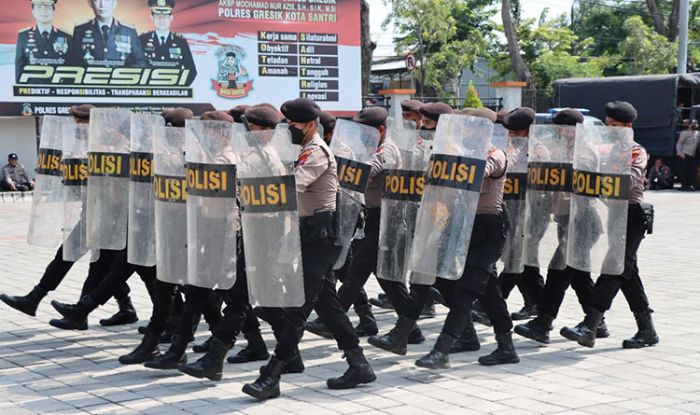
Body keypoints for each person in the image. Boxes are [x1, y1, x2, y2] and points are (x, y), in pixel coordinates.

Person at [242, 98, 375, 400]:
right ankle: (359, 364)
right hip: (307, 235)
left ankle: (272, 375)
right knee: (327, 304)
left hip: (321, 237)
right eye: (286, 123)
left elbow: (289, 187)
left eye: (293, 124)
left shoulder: (316, 153)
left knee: (297, 307)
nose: (288, 128)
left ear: (311, 125)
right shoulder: (301, 150)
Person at [369, 106, 519, 369]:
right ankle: (402, 335)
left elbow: (477, 173)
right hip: (459, 223)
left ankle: (442, 349)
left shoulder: (494, 155)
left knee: (466, 291)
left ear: (482, 129)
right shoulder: (456, 152)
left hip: (488, 229)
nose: (466, 131)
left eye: (470, 126)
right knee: (439, 281)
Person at [0, 105, 128, 326]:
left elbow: (118, 188)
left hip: (110, 215)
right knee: (92, 262)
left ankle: (69, 308)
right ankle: (117, 308)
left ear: (91, 122)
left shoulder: (116, 146)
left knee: (92, 263)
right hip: (94, 211)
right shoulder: (88, 144)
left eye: (79, 121)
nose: (76, 126)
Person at [560, 101, 659, 349]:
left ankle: (590, 324)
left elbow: (631, 179)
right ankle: (647, 330)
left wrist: (602, 178)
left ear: (628, 126)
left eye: (616, 125)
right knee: (627, 273)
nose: (611, 129)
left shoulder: (636, 151)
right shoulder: (606, 150)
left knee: (613, 269)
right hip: (614, 213)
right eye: (608, 124)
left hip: (632, 214)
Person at [514, 109, 609, 344]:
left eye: (559, 128)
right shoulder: (568, 149)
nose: (556, 132)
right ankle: (598, 323)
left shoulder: (583, 151)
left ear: (569, 129)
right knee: (578, 276)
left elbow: (580, 183)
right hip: (567, 220)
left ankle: (543, 323)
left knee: (558, 272)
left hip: (582, 220)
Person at [494, 107, 544, 322]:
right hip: (514, 210)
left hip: (533, 213)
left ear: (528, 132)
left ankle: (492, 302)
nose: (512, 137)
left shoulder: (539, 151)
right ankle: (538, 306)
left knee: (517, 258)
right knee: (525, 263)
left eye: (516, 133)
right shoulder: (514, 148)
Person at [69, 0, 146, 68]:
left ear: (114, 3)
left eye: (107, 0)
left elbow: (141, 62)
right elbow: (73, 63)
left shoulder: (128, 31)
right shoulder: (80, 30)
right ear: (90, 3)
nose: (102, 5)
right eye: (97, 0)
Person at [139, 0, 196, 85]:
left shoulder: (181, 43)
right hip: (149, 93)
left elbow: (192, 71)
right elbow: (133, 67)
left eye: (165, 16)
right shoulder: (142, 40)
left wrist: (177, 89)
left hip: (173, 95)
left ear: (171, 18)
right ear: (152, 18)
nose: (161, 20)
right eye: (158, 15)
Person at [15, 0, 71, 83]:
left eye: (47, 6)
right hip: (33, 92)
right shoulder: (23, 36)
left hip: (57, 92)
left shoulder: (66, 37)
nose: (43, 10)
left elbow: (70, 68)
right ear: (33, 11)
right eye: (38, 7)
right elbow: (19, 66)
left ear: (53, 10)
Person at [676, 120, 698, 191]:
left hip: (692, 154)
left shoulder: (698, 133)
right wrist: (679, 152)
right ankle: (684, 185)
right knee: (684, 170)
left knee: (692, 170)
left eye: (695, 124)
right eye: (693, 124)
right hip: (684, 154)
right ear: (689, 125)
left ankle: (690, 184)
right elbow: (680, 143)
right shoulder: (684, 133)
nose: (694, 125)